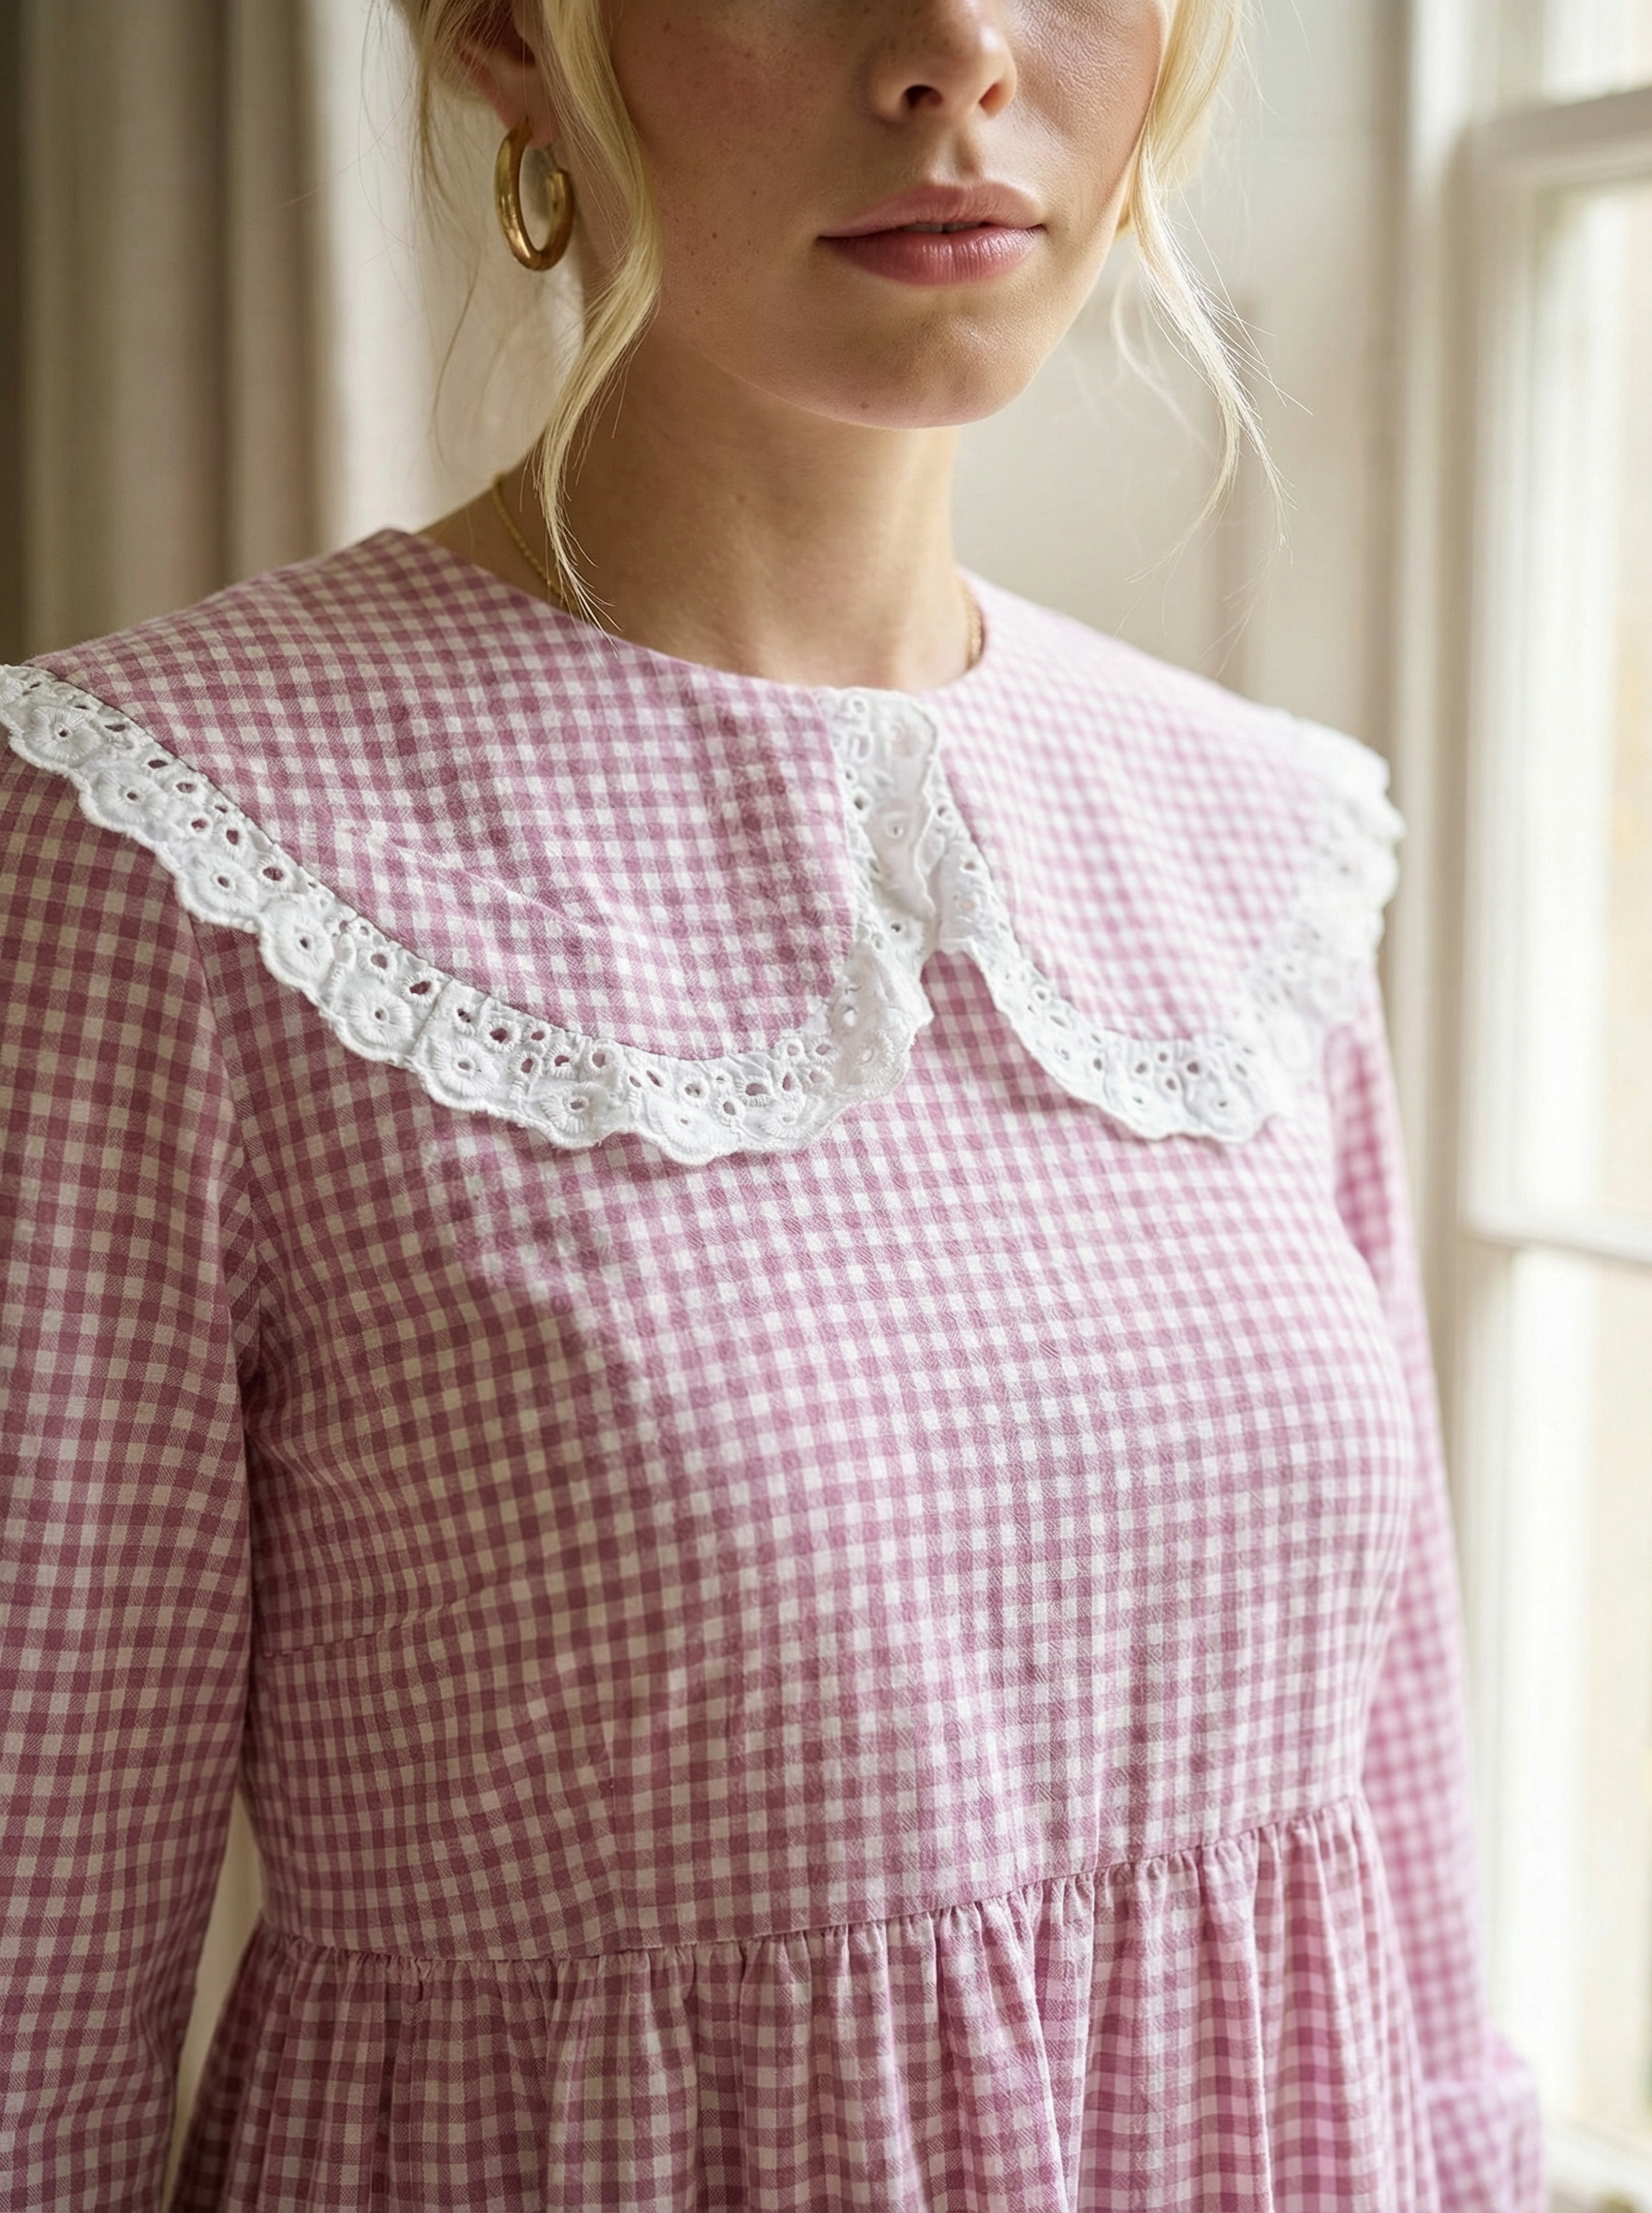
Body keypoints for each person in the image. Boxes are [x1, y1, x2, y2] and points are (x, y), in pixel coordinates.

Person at [0, 2, 1543, 2207]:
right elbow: (30, 1993)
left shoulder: (1256, 848)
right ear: (502, 39)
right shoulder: (168, 846)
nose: (951, 54)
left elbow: (1397, 1870)